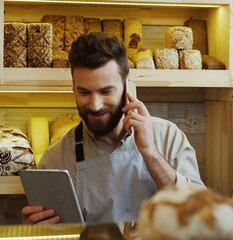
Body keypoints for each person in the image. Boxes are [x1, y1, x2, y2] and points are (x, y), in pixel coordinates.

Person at [22, 32, 205, 224]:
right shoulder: (55, 160)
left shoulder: (168, 137)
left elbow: (200, 217)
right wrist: (38, 232)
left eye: (106, 91)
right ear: (73, 87)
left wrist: (151, 153)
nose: (95, 105)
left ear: (127, 84)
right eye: (84, 92)